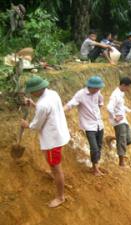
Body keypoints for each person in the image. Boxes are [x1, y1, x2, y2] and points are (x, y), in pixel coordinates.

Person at [20, 76, 70, 208]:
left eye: (32, 91)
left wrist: (26, 125)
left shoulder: (43, 104)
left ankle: (60, 197)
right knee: (53, 164)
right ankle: (54, 174)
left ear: (38, 90)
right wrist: (34, 104)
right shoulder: (53, 94)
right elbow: (47, 111)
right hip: (59, 134)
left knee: (56, 167)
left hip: (52, 140)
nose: (31, 94)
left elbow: (36, 125)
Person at [65, 76, 105, 176]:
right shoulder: (81, 94)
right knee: (94, 147)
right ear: (91, 87)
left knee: (99, 146)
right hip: (89, 126)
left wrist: (97, 108)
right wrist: (60, 111)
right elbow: (70, 104)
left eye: (99, 88)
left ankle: (95, 166)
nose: (99, 90)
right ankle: (96, 169)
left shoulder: (97, 93)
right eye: (97, 88)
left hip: (99, 124)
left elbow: (101, 102)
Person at [107, 77, 131, 167]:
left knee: (129, 140)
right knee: (122, 140)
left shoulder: (121, 94)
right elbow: (109, 107)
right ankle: (121, 162)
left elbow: (121, 106)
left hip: (124, 120)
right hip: (119, 122)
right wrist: (114, 117)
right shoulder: (115, 95)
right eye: (128, 87)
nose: (128, 89)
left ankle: (111, 138)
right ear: (123, 85)